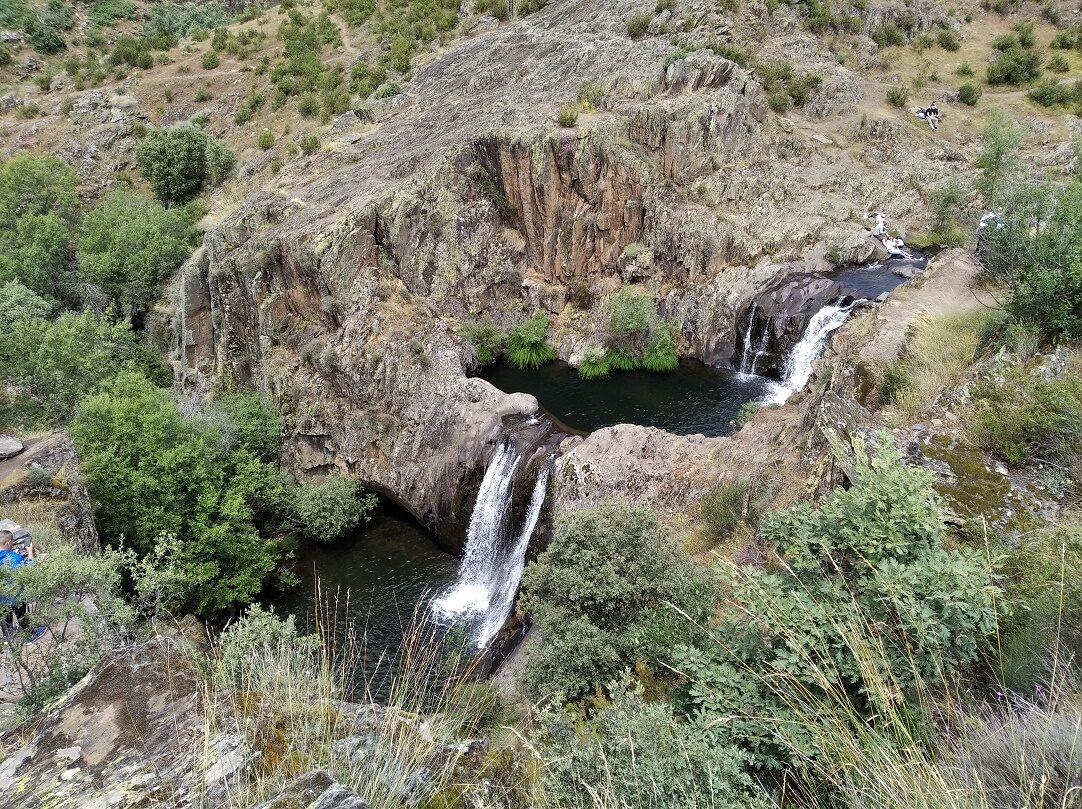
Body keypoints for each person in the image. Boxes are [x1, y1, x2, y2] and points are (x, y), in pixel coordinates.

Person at [0, 530, 43, 642]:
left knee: (5, 617)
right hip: (16, 596)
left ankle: (7, 637)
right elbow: (30, 569)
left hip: (1, 598)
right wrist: (29, 552)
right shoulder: (15, 558)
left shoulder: (13, 555)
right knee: (21, 614)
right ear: (9, 542)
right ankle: (29, 636)